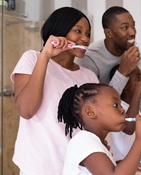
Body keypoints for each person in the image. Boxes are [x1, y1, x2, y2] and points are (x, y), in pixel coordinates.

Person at [10, 7, 99, 175]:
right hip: (38, 166)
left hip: (76, 168)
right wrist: (45, 56)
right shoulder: (32, 58)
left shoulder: (90, 77)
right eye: (78, 31)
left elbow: (94, 129)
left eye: (88, 34)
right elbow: (26, 110)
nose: (85, 39)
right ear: (60, 30)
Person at [75, 6, 141, 148]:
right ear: (108, 33)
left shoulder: (130, 52)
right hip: (99, 137)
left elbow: (137, 93)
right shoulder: (89, 58)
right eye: (124, 27)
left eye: (133, 26)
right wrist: (122, 72)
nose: (133, 32)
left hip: (125, 125)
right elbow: (96, 104)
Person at [58, 83, 141, 175]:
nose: (122, 110)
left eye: (120, 105)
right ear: (90, 112)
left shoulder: (95, 141)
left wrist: (125, 165)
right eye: (115, 105)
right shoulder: (83, 141)